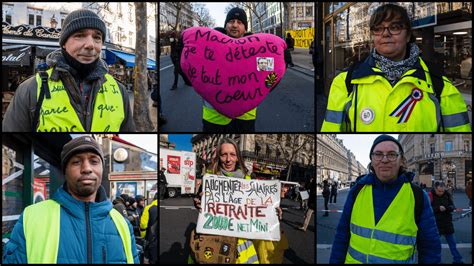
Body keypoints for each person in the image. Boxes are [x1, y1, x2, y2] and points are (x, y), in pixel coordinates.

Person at [321, 4, 470, 132]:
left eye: (395, 27)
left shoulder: (440, 85)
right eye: (378, 28)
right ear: (373, 36)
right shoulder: (345, 83)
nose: (386, 33)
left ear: (408, 35)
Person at [2, 136, 138, 263]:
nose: (86, 168)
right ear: (65, 171)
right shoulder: (31, 217)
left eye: (94, 161)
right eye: (76, 162)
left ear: (102, 168)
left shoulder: (123, 224)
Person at [2, 9, 136, 132]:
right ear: (64, 43)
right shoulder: (30, 89)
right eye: (80, 35)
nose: (90, 44)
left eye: (97, 37)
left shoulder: (119, 90)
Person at [329, 135, 441, 263]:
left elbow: (430, 249)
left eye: (392, 154)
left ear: (401, 161)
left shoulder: (418, 196)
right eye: (378, 154)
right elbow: (341, 238)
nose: (384, 160)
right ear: (371, 159)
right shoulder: (357, 191)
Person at [192, 137, 284, 264]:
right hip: (214, 247)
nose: (228, 159)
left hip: (242, 253)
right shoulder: (209, 180)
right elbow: (204, 210)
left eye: (232, 155)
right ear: (218, 156)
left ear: (237, 157)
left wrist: (272, 214)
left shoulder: (249, 182)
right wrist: (198, 203)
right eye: (224, 155)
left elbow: (257, 214)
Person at [182, 7, 259, 132]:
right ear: (225, 25)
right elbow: (191, 80)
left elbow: (268, 80)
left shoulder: (257, 52)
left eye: (239, 22)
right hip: (214, 119)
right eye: (231, 21)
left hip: (245, 119)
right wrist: (182, 56)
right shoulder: (208, 49)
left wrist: (282, 61)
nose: (234, 25)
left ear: (245, 28)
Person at [429, 182, 464, 264]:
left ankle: (457, 260)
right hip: (436, 224)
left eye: (442, 191)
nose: (441, 193)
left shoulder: (447, 194)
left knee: (452, 244)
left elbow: (452, 207)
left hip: (447, 223)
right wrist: (438, 208)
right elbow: (428, 209)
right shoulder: (430, 195)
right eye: (439, 191)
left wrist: (447, 208)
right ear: (435, 188)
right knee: (435, 245)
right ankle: (436, 261)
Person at [140, 194, 158, 264]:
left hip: (151, 238)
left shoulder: (148, 208)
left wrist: (143, 236)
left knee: (151, 258)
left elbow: (143, 225)